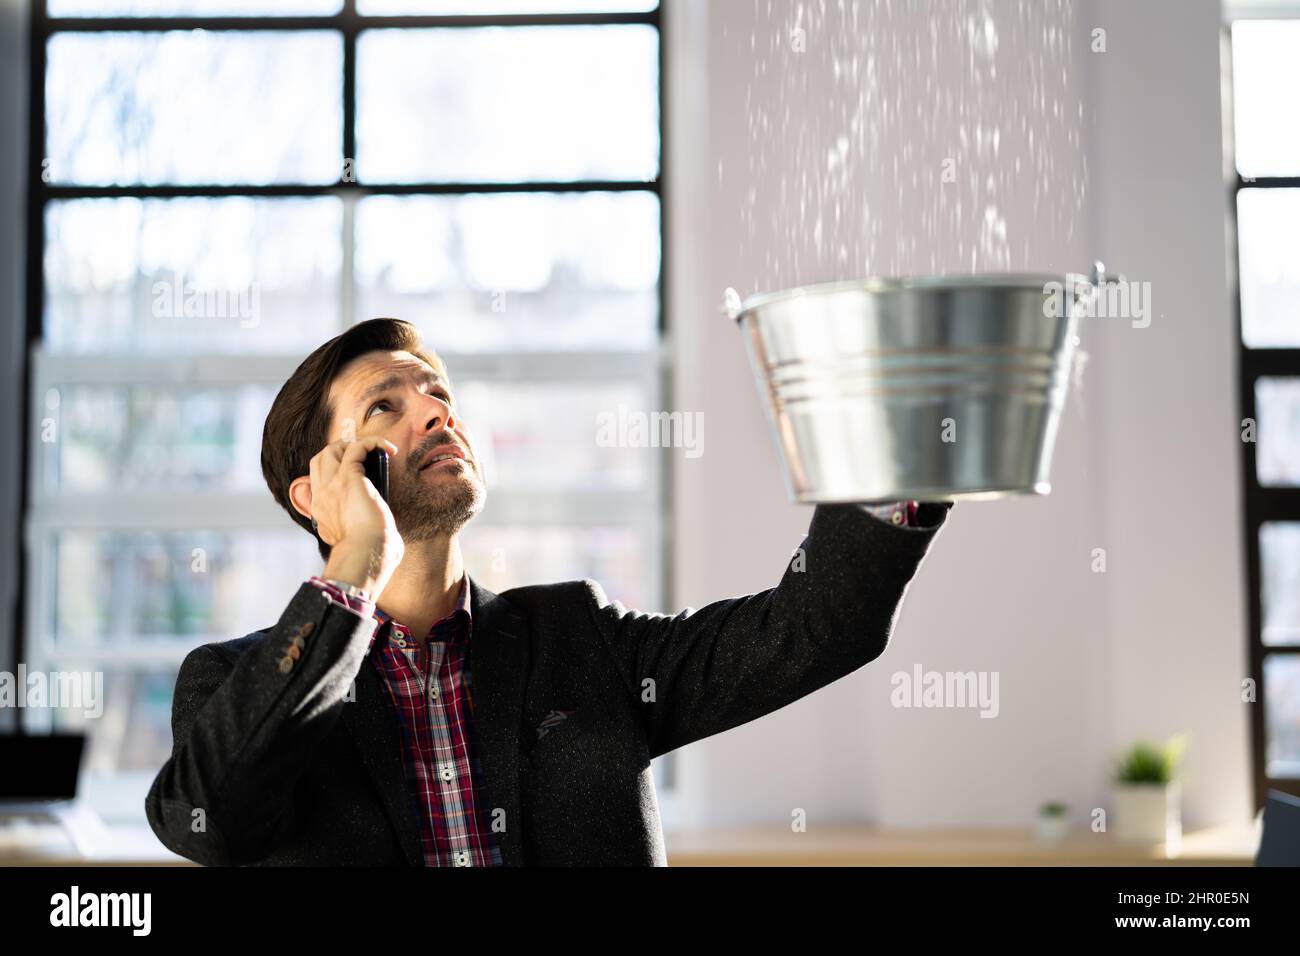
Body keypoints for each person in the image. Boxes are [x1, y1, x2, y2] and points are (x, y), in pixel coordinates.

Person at [145, 317, 954, 866]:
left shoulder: (582, 639)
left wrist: (885, 444)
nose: (434, 412)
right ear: (316, 493)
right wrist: (356, 560)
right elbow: (203, 820)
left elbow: (816, 629)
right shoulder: (231, 684)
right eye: (385, 406)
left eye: (437, 394)